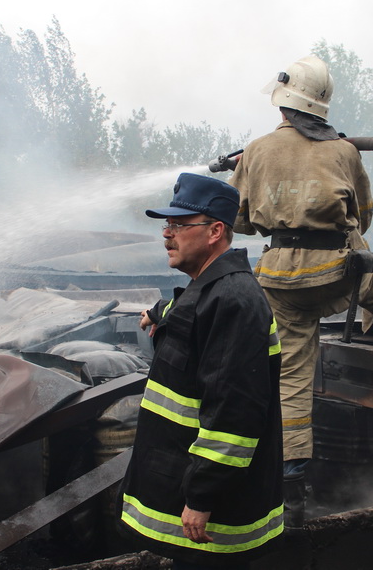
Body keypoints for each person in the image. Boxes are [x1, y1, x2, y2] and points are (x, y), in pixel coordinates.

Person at [228, 54, 373, 525]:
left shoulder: (258, 149)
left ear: (282, 101)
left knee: (290, 376)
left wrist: (257, 172)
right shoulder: (345, 152)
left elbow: (241, 221)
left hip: (282, 279)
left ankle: (292, 481)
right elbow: (362, 215)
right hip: (343, 270)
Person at [117, 173, 284, 569]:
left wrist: (201, 496)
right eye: (166, 225)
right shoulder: (208, 288)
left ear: (215, 231)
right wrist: (158, 315)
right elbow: (191, 319)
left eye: (178, 225)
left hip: (212, 518)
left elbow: (235, 413)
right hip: (187, 487)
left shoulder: (234, 301)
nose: (167, 235)